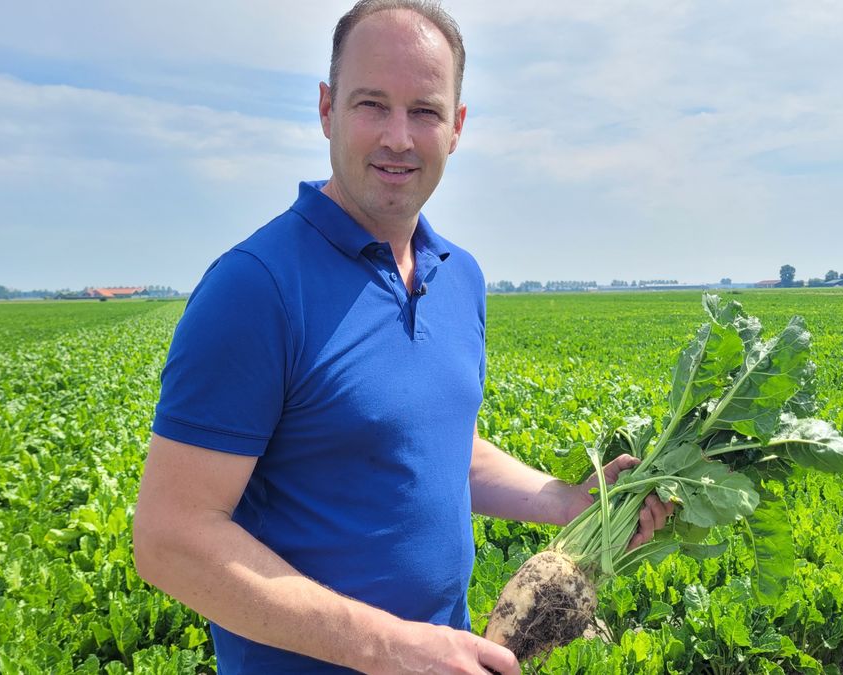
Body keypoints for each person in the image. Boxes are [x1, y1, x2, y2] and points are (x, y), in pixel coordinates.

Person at [132, 1, 672, 673]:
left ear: (457, 127)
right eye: (370, 104)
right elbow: (169, 538)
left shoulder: (460, 278)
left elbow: (432, 444)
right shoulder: (257, 287)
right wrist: (384, 646)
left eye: (424, 110)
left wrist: (568, 500)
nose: (397, 137)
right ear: (327, 109)